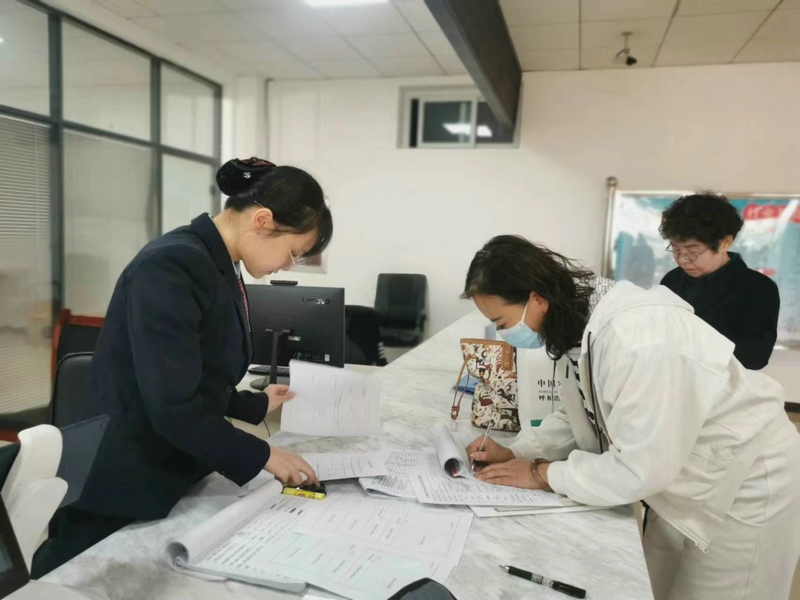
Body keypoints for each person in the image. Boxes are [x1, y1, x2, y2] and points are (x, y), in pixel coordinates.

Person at [32, 157, 332, 577]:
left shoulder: (217, 261)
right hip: (124, 474)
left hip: (172, 462)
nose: (287, 265)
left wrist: (253, 404)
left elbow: (196, 370)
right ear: (263, 220)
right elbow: (173, 405)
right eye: (294, 253)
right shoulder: (172, 264)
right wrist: (264, 454)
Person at [463, 235, 800, 600]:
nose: (504, 334)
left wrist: (540, 473)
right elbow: (582, 411)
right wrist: (519, 452)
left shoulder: (636, 339)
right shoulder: (581, 324)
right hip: (683, 469)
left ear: (537, 299)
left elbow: (637, 469)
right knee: (653, 586)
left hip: (747, 479)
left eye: (501, 321)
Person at [659, 192, 779, 369]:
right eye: (676, 250)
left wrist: (690, 343)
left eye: (693, 251)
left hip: (723, 384)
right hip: (672, 379)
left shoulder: (758, 287)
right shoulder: (672, 280)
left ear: (724, 243)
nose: (682, 260)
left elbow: (756, 357)